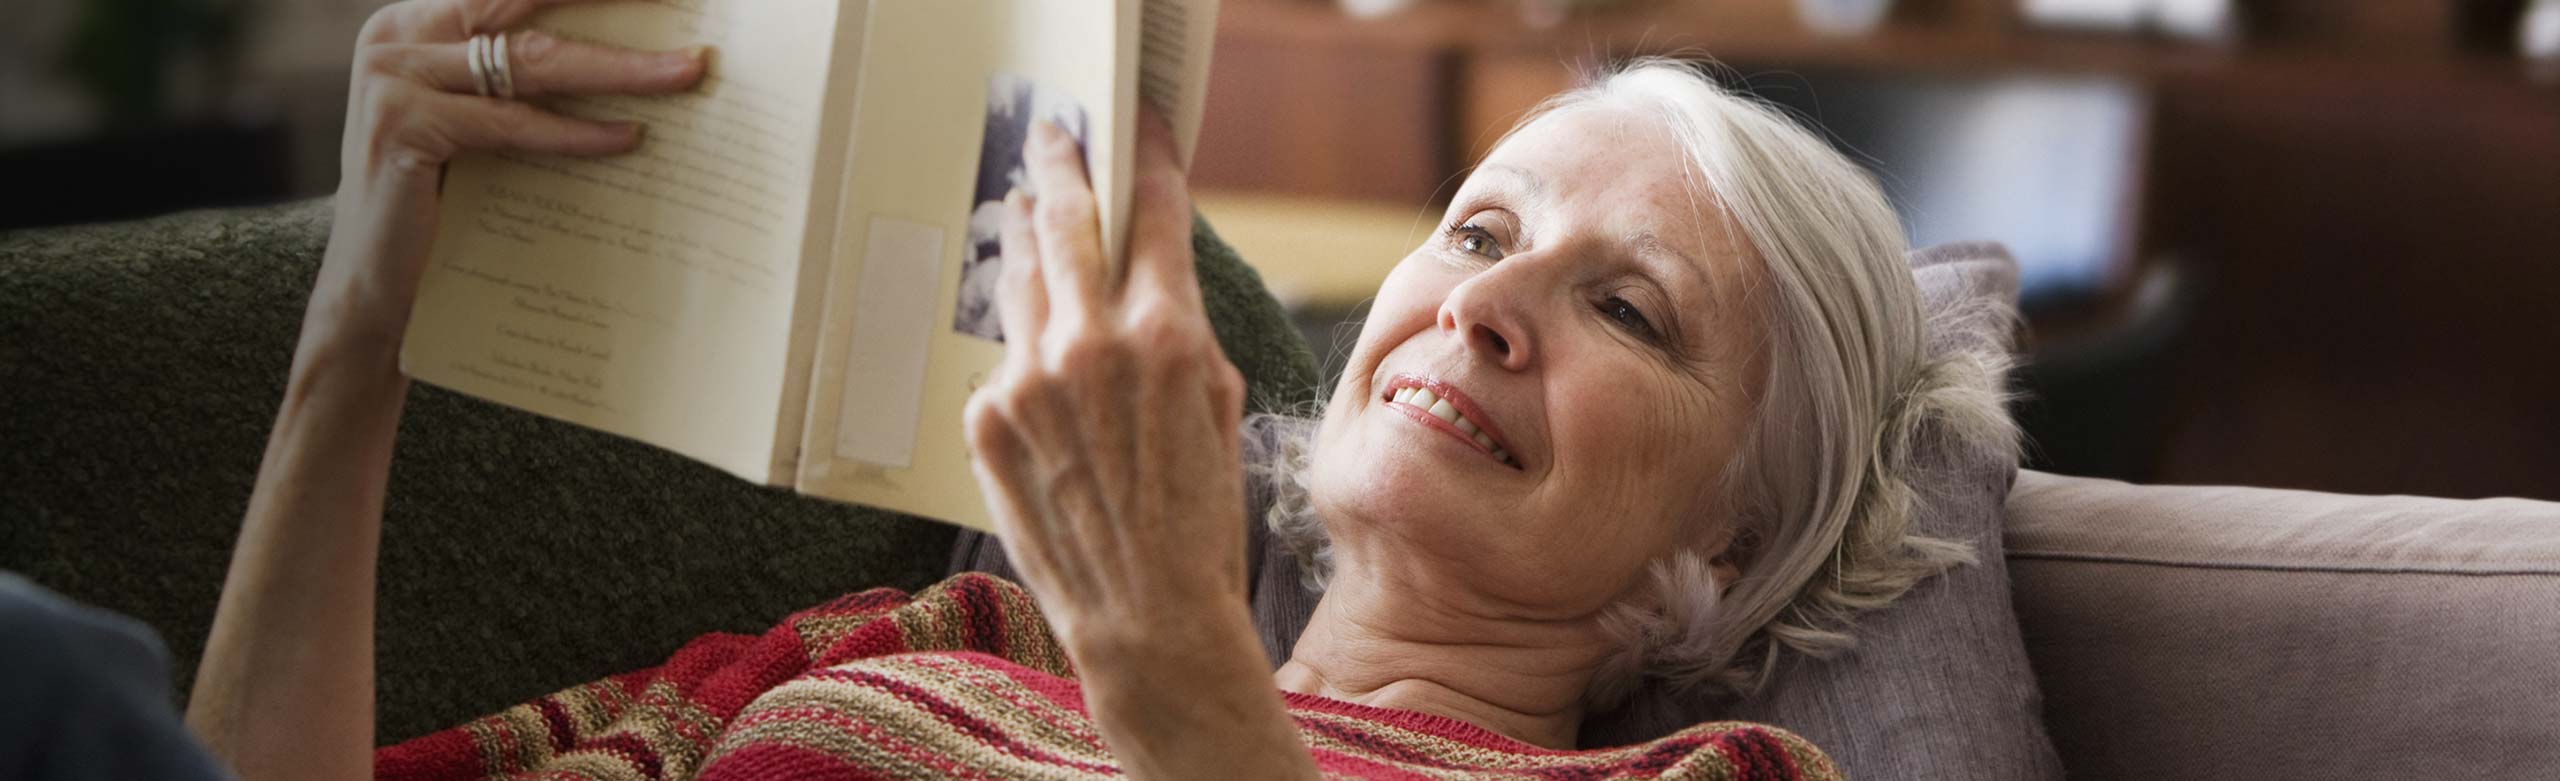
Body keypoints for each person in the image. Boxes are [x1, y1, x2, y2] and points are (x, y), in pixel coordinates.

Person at [183, 0, 2015, 778]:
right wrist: (354, 341)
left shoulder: (1718, 777)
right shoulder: (941, 635)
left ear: (1736, 528)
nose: (1493, 305)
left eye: (1628, 305)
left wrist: (1164, 661)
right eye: (1473, 234)